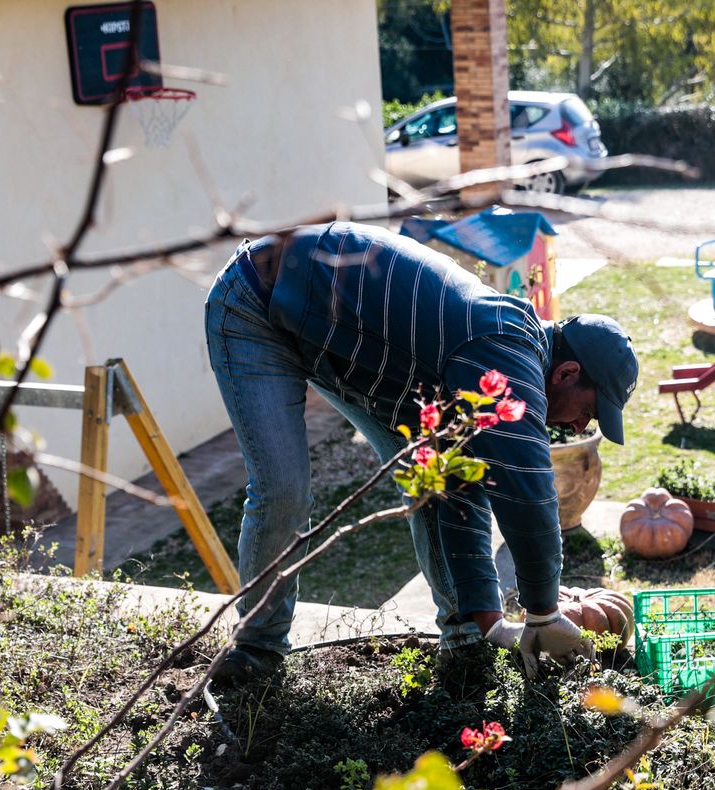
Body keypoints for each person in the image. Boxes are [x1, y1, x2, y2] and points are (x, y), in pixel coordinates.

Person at [204, 220, 638, 682]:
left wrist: (491, 624)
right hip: (258, 301)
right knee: (283, 488)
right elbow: (527, 491)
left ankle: (467, 642)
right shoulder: (504, 354)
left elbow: (457, 485)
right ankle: (256, 652)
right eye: (588, 412)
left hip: (336, 339)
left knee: (436, 480)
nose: (579, 427)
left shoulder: (493, 360)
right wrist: (544, 613)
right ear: (567, 373)